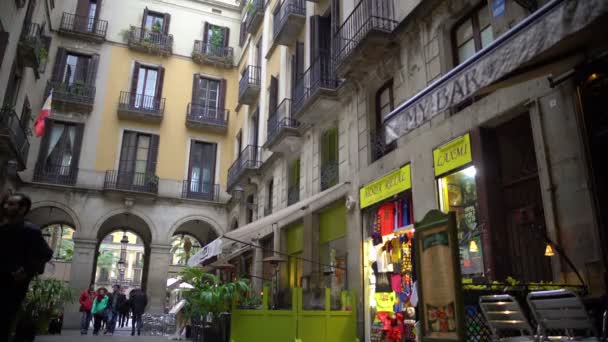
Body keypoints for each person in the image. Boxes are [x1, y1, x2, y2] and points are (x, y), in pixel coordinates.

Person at [0, 193, 53, 341]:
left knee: (4, 319)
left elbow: (46, 254)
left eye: (11, 204)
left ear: (23, 209)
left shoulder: (31, 230)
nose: (6, 206)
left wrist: (27, 270)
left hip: (13, 284)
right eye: (6, 203)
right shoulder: (2, 228)